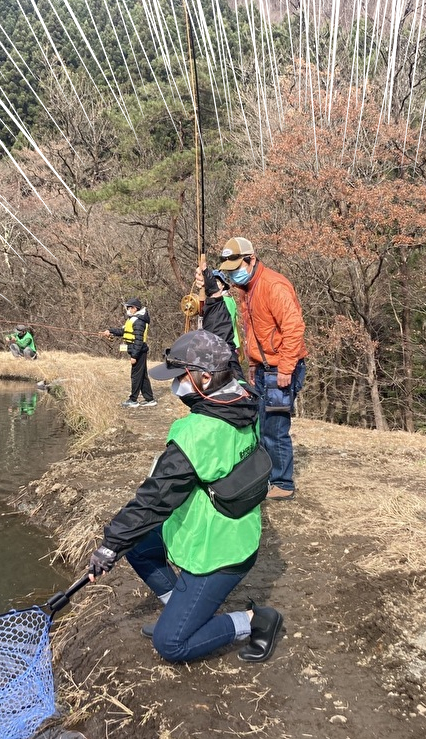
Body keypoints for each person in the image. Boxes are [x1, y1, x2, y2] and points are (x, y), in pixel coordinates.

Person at [86, 329, 284, 663]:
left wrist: (109, 545)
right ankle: (177, 612)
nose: (175, 384)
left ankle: (255, 620)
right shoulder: (244, 399)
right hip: (214, 527)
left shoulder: (198, 434)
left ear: (206, 377)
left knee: (171, 645)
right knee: (138, 547)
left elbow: (153, 499)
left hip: (220, 552)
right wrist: (122, 543)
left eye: (181, 376)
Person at [217, 237, 308, 500]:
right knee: (260, 423)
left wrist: (286, 369)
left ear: (251, 259)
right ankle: (267, 475)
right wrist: (254, 364)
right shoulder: (247, 289)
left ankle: (282, 483)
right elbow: (254, 332)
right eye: (230, 269)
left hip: (281, 367)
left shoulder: (273, 285)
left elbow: (294, 329)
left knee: (275, 426)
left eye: (237, 266)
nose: (234, 274)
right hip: (263, 367)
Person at [100, 297, 156, 408]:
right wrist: (110, 331)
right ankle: (150, 399)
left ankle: (133, 400)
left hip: (138, 352)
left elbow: (139, 340)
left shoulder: (139, 321)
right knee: (142, 376)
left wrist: (134, 356)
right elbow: (123, 331)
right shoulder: (133, 319)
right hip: (137, 351)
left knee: (135, 376)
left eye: (129, 307)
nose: (128, 309)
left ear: (135, 308)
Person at [194, 263, 244, 381]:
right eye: (213, 281)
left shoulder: (225, 301)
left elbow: (221, 325)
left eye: (218, 282)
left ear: (222, 286)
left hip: (226, 345)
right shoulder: (220, 301)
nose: (215, 284)